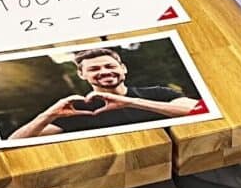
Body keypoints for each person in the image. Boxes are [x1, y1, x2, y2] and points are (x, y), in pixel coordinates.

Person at [12, 44, 208, 138]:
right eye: (94, 69)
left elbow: (200, 110)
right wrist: (49, 114)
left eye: (109, 66)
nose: (104, 71)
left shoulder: (158, 94)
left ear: (123, 68)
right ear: (82, 75)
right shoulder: (77, 111)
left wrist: (130, 102)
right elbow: (15, 141)